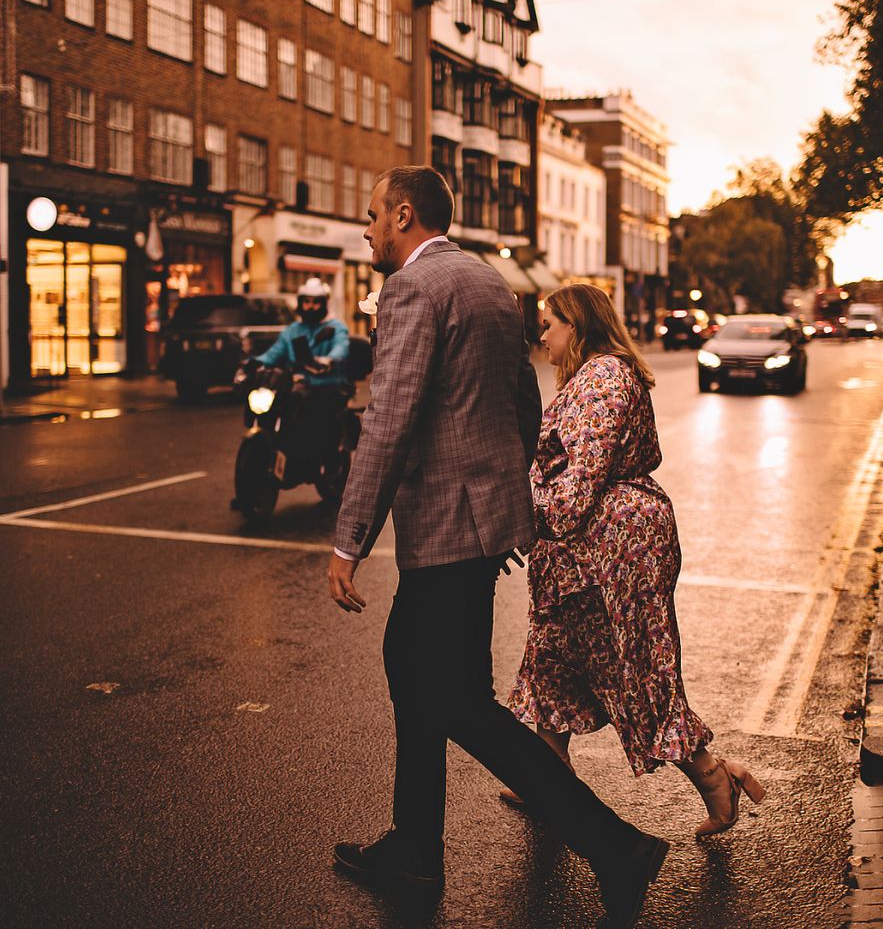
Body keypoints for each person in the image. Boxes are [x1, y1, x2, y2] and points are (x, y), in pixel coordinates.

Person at [326, 167, 669, 929]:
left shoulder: (413, 289)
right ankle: (414, 844)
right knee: (411, 672)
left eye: (373, 214)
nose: (368, 228)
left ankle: (616, 847)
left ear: (404, 215)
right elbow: (524, 402)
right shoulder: (486, 280)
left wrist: (349, 540)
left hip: (447, 527)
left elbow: (391, 418)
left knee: (456, 701)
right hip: (478, 526)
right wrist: (510, 504)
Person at [504, 283, 765, 838]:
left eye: (550, 323)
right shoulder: (585, 378)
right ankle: (547, 778)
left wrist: (517, 516)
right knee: (553, 660)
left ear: (577, 325)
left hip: (618, 549)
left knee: (641, 668)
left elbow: (575, 483)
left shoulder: (605, 377)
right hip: (581, 553)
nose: (541, 334)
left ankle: (715, 776)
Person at [255, 278, 351, 460]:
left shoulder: (336, 327)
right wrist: (254, 362)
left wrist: (328, 360)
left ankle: (321, 459)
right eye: (306, 301)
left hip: (326, 384)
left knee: (317, 419)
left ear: (324, 304)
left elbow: (341, 348)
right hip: (296, 385)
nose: (310, 306)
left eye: (315, 302)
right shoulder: (292, 330)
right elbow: (274, 354)